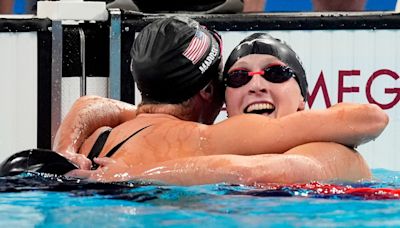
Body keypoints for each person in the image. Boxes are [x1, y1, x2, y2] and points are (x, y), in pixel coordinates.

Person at [55, 16, 388, 185]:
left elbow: (259, 172)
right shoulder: (212, 143)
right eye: (238, 78)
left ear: (305, 98)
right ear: (220, 98)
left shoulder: (336, 154)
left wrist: (135, 173)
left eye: (274, 74)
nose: (256, 86)